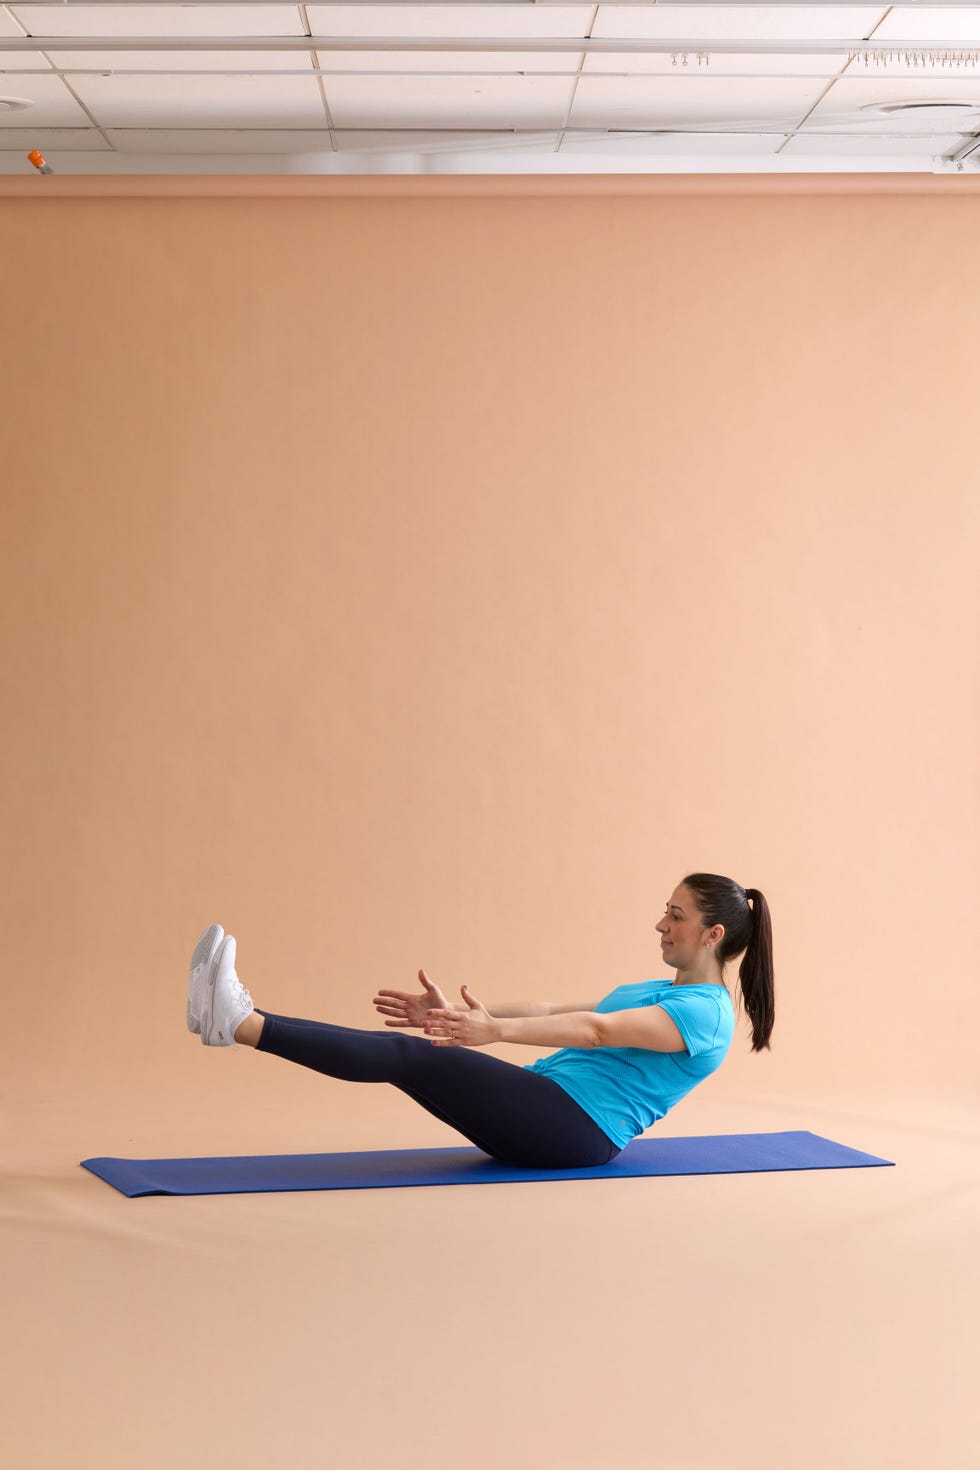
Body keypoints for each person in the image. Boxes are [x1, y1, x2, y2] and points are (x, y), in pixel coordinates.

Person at [187, 872, 775, 1170]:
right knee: (419, 1059)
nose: (660, 925)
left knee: (412, 1060)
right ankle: (235, 1021)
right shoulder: (663, 991)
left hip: (575, 1130)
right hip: (552, 1108)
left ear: (712, 934)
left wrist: (493, 1034)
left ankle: (238, 1022)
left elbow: (597, 1032)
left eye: (675, 916)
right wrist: (463, 1017)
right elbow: (556, 1012)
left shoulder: (705, 1016)